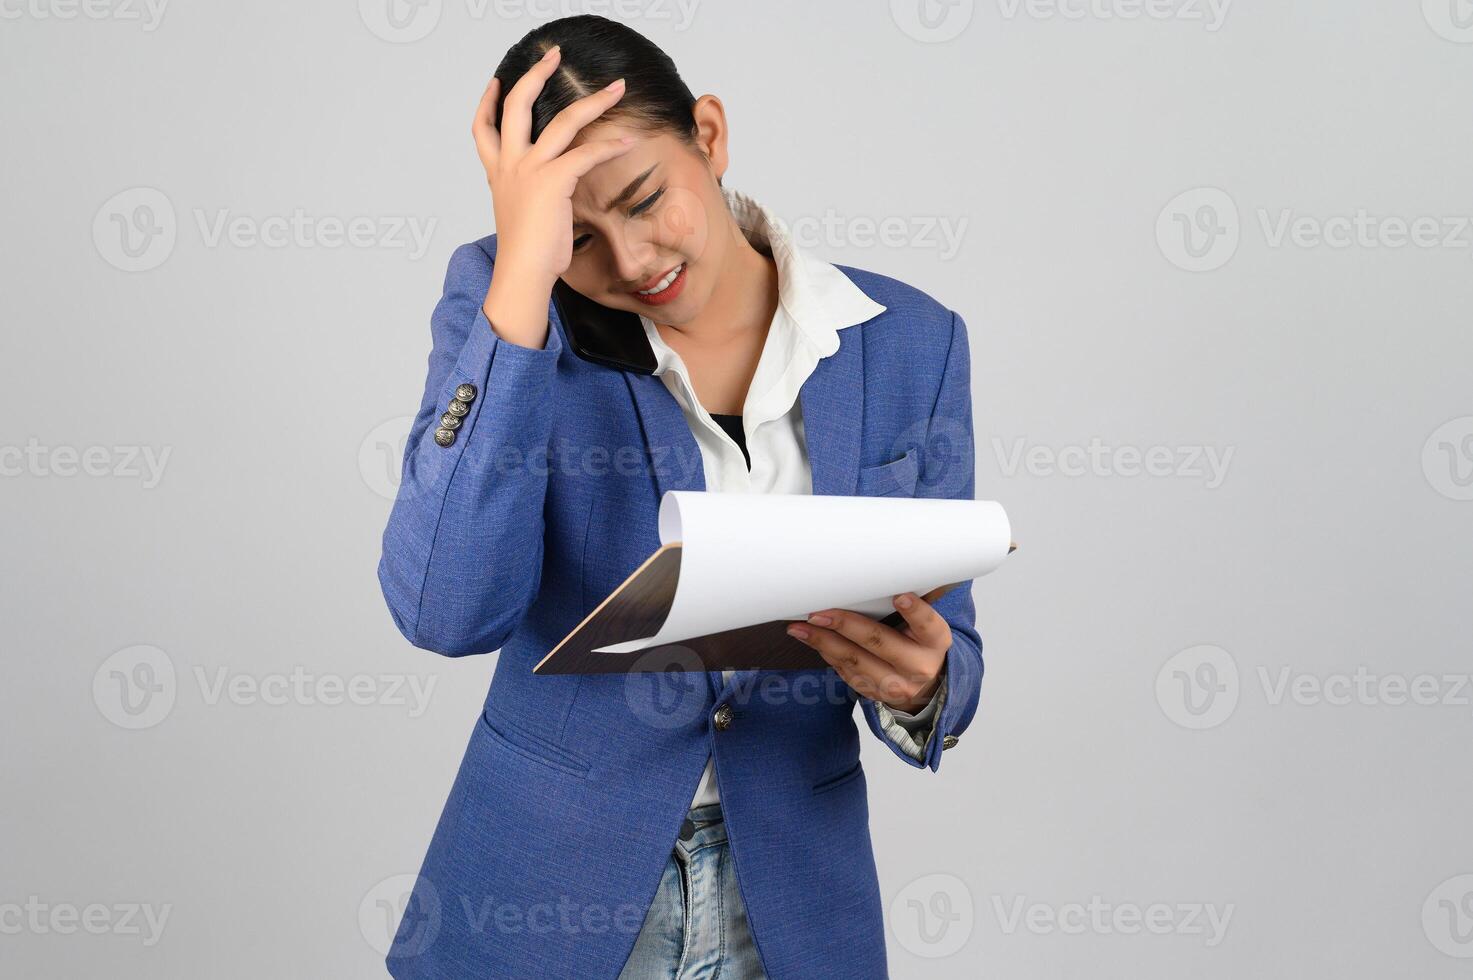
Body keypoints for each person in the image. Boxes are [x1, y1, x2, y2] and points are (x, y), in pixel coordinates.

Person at [377, 14, 983, 979]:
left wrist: (925, 687)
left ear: (708, 133)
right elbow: (445, 609)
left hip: (792, 896)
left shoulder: (907, 339)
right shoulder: (510, 312)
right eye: (575, 237)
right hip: (546, 891)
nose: (627, 263)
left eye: (645, 198)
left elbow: (950, 643)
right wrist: (524, 279)